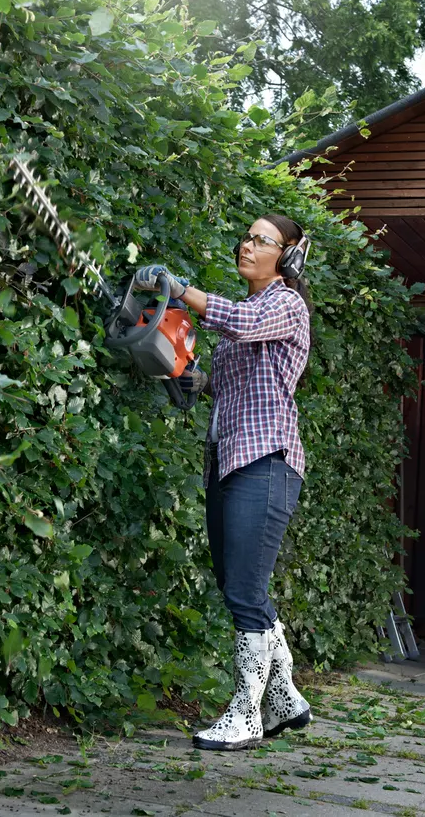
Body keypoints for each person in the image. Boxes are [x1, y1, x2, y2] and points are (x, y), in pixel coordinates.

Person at [132, 215, 314, 751]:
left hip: (267, 459)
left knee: (244, 591)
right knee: (237, 582)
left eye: (262, 240)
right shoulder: (248, 315)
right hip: (229, 460)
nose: (247, 245)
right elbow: (235, 382)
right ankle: (285, 699)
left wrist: (179, 290)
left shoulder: (285, 304)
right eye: (247, 237)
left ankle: (246, 714)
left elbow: (239, 320)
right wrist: (196, 379)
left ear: (287, 256)